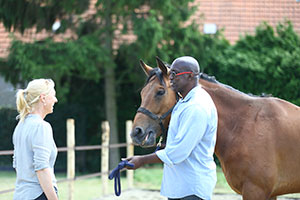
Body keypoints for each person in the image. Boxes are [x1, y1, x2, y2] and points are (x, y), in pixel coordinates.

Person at [126, 56, 218, 200]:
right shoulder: (184, 102)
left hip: (192, 189)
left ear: (190, 76)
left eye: (174, 74)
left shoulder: (196, 107)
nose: (171, 78)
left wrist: (142, 160)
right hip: (182, 188)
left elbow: (178, 152)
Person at [12, 78, 59, 200]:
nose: (55, 100)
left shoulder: (20, 126)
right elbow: (42, 168)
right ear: (43, 98)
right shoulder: (42, 127)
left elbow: (17, 165)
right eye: (53, 95)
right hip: (39, 195)